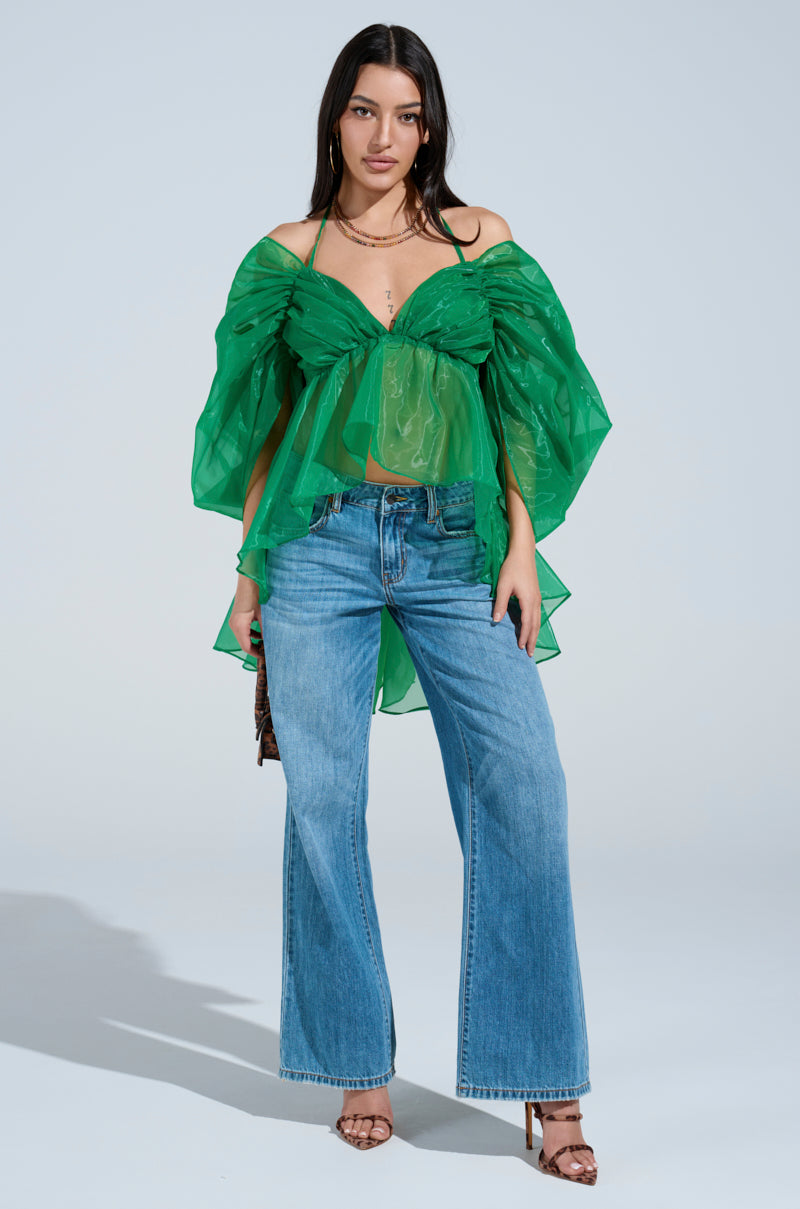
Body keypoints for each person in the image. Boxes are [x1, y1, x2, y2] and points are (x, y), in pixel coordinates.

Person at [191, 23, 611, 1184]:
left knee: (523, 790)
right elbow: (260, 427)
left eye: (409, 114)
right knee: (324, 807)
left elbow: (527, 406)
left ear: (432, 127)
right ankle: (357, 1064)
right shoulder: (286, 255)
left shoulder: (480, 245)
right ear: (335, 118)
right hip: (316, 551)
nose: (387, 136)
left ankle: (544, 1081)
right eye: (366, 110)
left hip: (453, 545)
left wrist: (520, 543)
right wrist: (246, 576)